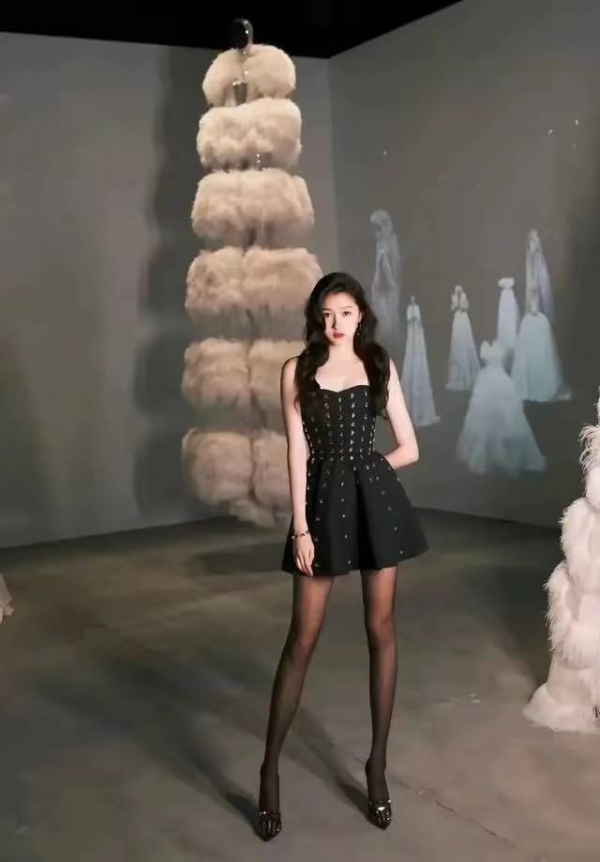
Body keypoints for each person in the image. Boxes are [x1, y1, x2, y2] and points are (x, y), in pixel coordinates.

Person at [257, 272, 428, 840]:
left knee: (382, 631)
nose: (336, 324)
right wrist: (300, 529)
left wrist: (366, 475)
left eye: (346, 313)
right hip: (321, 510)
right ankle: (269, 770)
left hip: (374, 506)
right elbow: (296, 451)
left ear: (361, 316)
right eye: (327, 314)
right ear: (317, 317)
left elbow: (410, 447)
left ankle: (377, 766)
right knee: (301, 640)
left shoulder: (378, 364)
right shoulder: (296, 370)